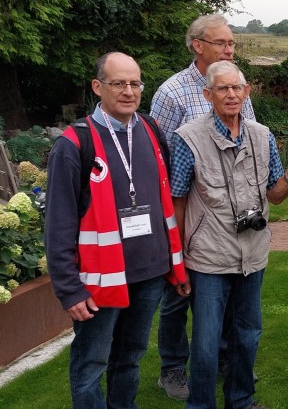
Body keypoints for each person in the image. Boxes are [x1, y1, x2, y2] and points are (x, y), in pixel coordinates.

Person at [169, 61, 288, 409]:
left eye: (237, 88)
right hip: (208, 257)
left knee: (248, 335)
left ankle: (241, 401)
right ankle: (201, 404)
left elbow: (275, 195)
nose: (231, 94)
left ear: (247, 92)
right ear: (208, 95)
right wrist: (175, 258)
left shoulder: (261, 135)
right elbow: (177, 202)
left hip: (252, 255)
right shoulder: (188, 139)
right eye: (222, 88)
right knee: (207, 343)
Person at [44, 52, 189, 408]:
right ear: (98, 87)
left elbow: (162, 203)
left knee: (131, 358)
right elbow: (59, 223)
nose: (128, 91)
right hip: (100, 278)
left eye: (135, 83)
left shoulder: (152, 131)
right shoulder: (75, 143)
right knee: (92, 362)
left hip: (150, 272)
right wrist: (69, 289)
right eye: (118, 83)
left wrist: (174, 265)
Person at [150, 13, 256, 399]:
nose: (230, 49)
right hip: (189, 211)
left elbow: (250, 138)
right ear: (198, 45)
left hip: (232, 217)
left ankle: (222, 359)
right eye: (222, 43)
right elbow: (159, 155)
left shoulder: (236, 86)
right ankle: (173, 368)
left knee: (228, 296)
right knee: (178, 294)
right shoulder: (173, 92)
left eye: (231, 43)